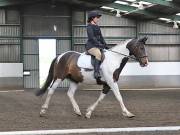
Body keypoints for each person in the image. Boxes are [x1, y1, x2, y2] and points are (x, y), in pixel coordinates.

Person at [86, 11, 109, 79]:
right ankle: (96, 72)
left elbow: (101, 37)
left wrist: (105, 45)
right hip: (91, 46)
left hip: (98, 46)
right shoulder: (89, 27)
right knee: (98, 54)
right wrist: (99, 44)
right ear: (92, 18)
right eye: (97, 17)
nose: (98, 19)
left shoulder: (97, 26)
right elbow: (92, 38)